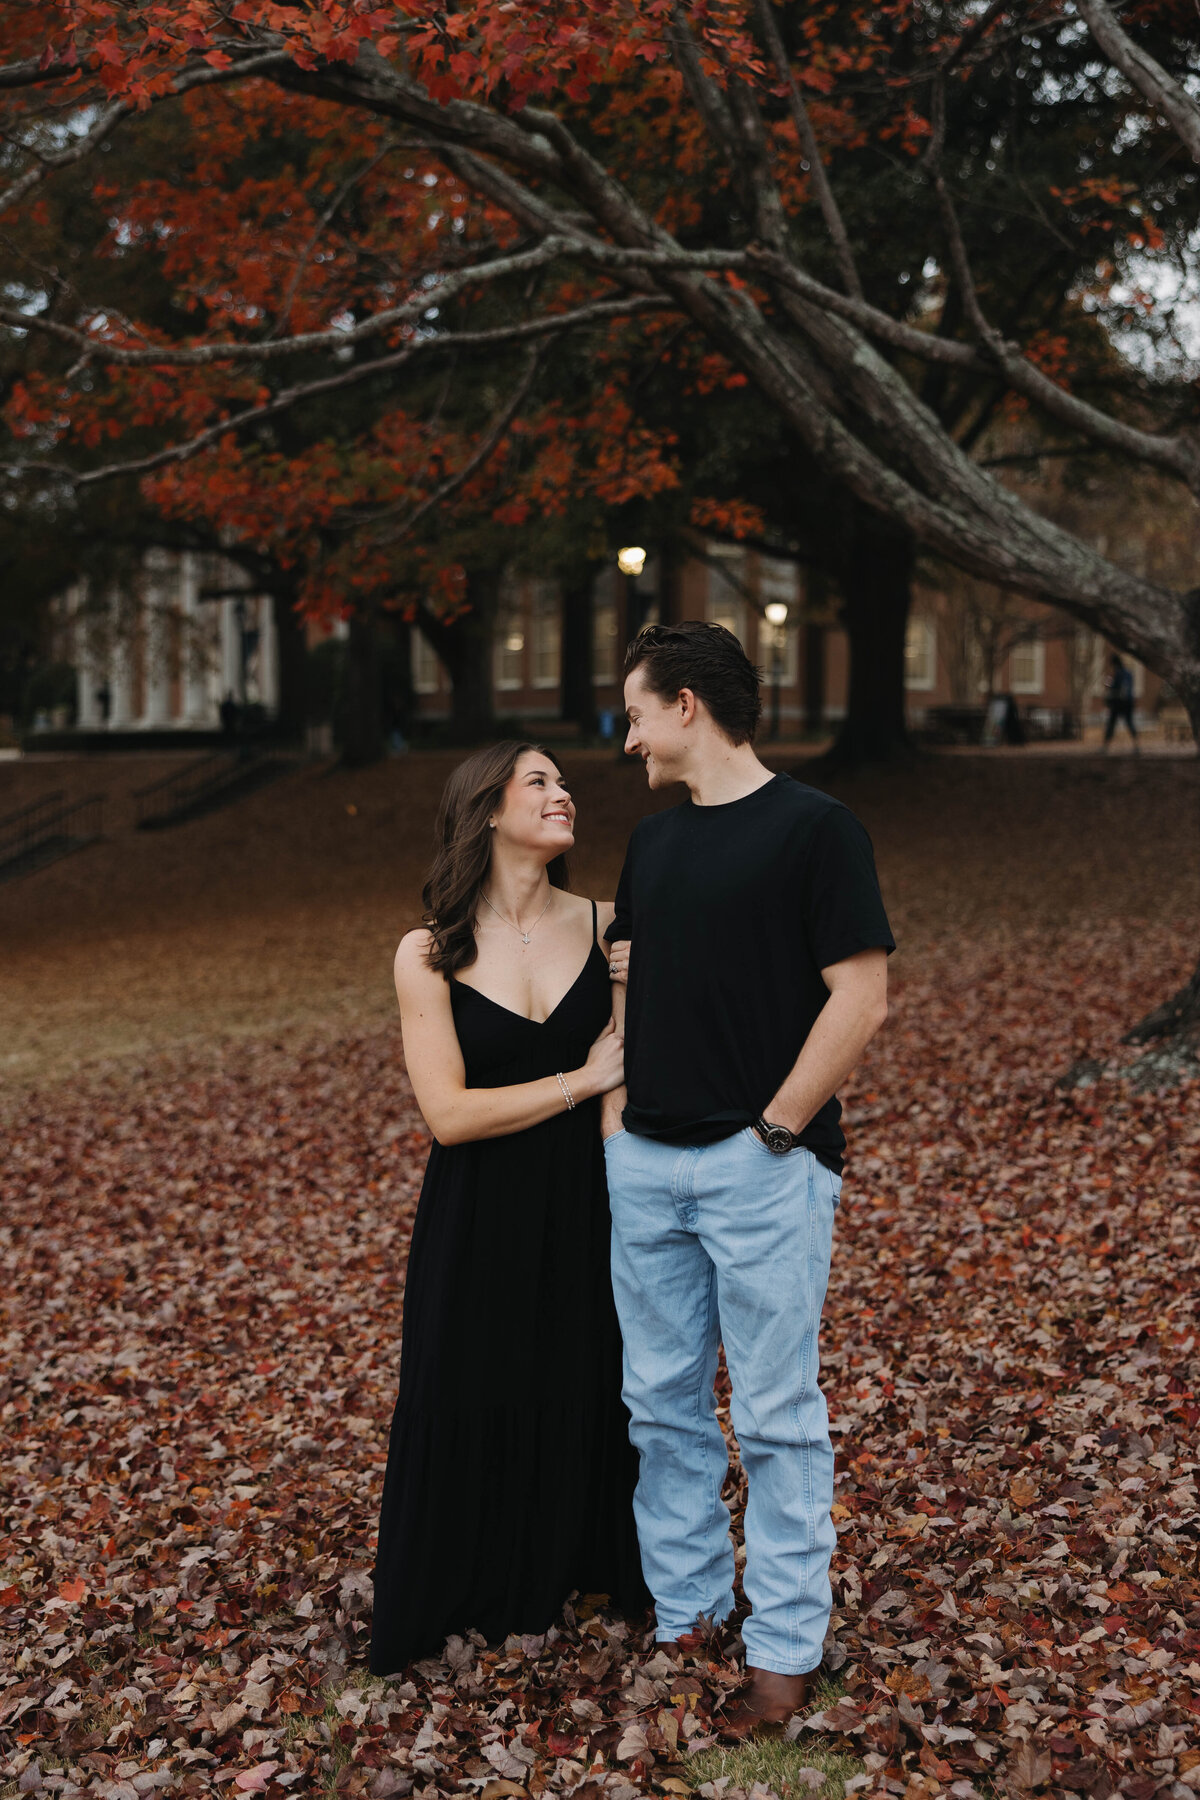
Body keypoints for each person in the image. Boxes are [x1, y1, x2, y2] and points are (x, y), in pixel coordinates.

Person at [602, 622, 894, 1737]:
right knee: (661, 1410)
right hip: (647, 1169)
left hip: (761, 1169)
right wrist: (621, 1128)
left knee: (775, 1416)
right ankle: (688, 1614)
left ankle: (783, 1651)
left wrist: (774, 1132)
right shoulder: (652, 846)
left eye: (634, 713)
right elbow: (631, 976)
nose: (627, 740)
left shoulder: (819, 831)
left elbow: (859, 996)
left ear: (686, 704)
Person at [370, 741, 647, 1674]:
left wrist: (623, 1174)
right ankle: (469, 1584)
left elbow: (627, 1078)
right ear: (488, 808)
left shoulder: (611, 922)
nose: (563, 793)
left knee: (584, 1380)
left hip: (588, 1197)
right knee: (469, 1382)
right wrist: (578, 1080)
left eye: (564, 783)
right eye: (540, 781)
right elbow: (448, 1115)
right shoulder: (428, 950)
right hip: (477, 1208)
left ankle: (578, 1573)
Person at [1104, 653, 1139, 751]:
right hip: (1128, 702)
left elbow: (1119, 689)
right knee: (1129, 722)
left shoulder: (1119, 674)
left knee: (1112, 723)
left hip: (1119, 703)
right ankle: (1136, 745)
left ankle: (1105, 746)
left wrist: (1110, 686)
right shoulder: (1128, 673)